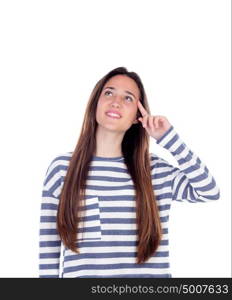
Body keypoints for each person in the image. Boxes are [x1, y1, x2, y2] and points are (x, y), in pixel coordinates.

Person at [39, 67, 220, 278]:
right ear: (95, 103)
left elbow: (208, 190)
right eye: (109, 93)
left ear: (137, 116)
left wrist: (169, 138)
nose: (116, 101)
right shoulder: (63, 168)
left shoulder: (154, 171)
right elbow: (49, 246)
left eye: (128, 98)